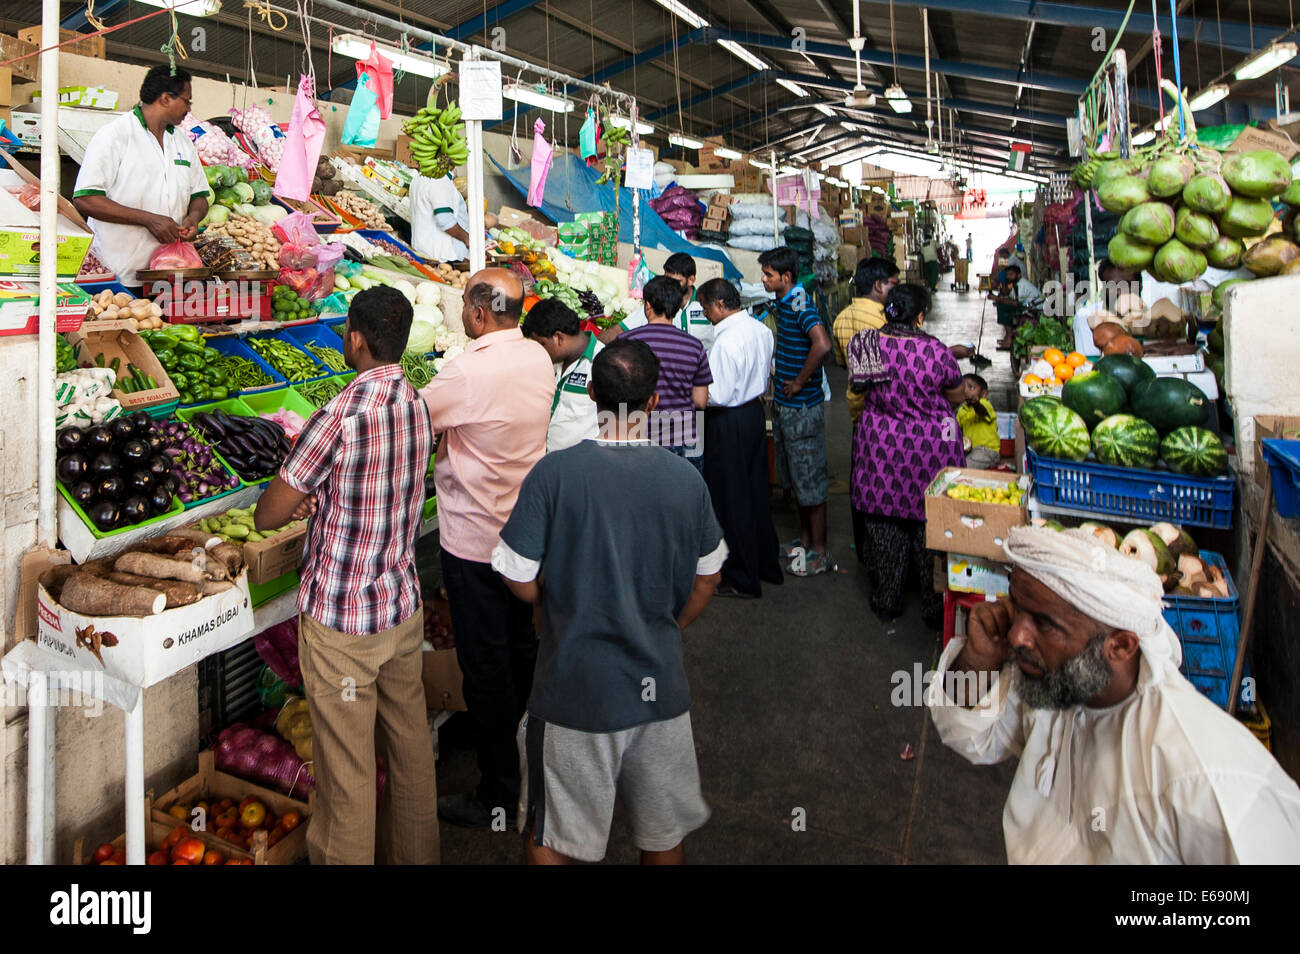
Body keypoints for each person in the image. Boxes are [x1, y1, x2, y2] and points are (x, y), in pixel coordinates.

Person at [928, 526, 1300, 863]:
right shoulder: (1056, 686)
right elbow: (973, 736)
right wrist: (978, 659)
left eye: (1044, 623)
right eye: (1018, 610)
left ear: (1121, 646)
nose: (1016, 636)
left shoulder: (1208, 773)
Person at [492, 338, 726, 864]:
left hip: (575, 688)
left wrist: (555, 602)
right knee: (662, 834)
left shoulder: (554, 473)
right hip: (660, 689)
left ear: (592, 392)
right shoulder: (685, 478)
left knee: (553, 835)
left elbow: (515, 573)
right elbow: (709, 575)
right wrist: (670, 623)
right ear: (652, 403)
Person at [254, 286, 437, 865]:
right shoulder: (415, 400)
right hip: (400, 608)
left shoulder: (338, 414)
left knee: (347, 772)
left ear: (355, 337)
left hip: (343, 624)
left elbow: (269, 514)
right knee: (409, 752)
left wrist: (307, 498)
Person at [419, 267, 555, 829]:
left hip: (476, 542)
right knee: (523, 650)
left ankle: (498, 792)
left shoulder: (466, 370)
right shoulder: (538, 359)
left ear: (477, 314)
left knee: (486, 667)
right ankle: (533, 765)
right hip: (527, 537)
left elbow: (412, 420)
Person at [848, 283, 965, 623]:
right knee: (929, 528)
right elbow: (956, 396)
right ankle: (932, 609)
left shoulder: (866, 343)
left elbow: (859, 387)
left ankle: (887, 600)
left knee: (884, 526)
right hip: (929, 449)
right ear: (920, 315)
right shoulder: (936, 352)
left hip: (880, 446)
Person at [72, 65, 208, 285]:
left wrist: (193, 217)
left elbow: (199, 196)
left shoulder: (182, 142)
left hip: (169, 275)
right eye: (186, 101)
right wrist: (149, 220)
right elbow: (85, 199)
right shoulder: (115, 136)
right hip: (119, 274)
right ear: (165, 99)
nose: (189, 109)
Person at [697, 278, 783, 598]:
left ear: (720, 305)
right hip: (753, 416)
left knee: (731, 499)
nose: (705, 315)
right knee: (756, 491)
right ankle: (766, 565)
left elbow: (715, 395)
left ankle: (742, 577)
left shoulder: (725, 342)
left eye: (706, 308)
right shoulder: (760, 330)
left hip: (727, 421)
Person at [762, 245, 833, 577]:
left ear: (786, 277)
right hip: (788, 406)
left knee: (810, 479)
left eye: (768, 275)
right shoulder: (784, 301)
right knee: (798, 476)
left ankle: (819, 550)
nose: (763, 279)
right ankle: (804, 541)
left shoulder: (800, 301)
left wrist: (800, 382)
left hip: (802, 406)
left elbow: (821, 343)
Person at [622, 274, 712, 469]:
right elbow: (700, 402)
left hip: (638, 435)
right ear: (678, 306)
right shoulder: (694, 346)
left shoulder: (626, 342)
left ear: (647, 305)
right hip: (682, 437)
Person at [522, 297, 603, 453]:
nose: (539, 350)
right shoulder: (550, 361)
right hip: (544, 460)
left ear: (558, 337)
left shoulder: (601, 363)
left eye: (541, 344)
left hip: (578, 465)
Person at [609, 253, 712, 351]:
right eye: (667, 279)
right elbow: (621, 329)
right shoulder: (657, 302)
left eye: (676, 282)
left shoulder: (706, 304)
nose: (669, 285)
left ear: (691, 280)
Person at [1072, 259, 1140, 357]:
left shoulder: (1150, 317)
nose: (1119, 291)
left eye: (1126, 284)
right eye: (1112, 286)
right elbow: (1092, 361)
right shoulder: (1085, 316)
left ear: (1140, 286)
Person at [408, 171, 470, 262]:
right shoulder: (440, 181)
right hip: (441, 256)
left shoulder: (419, 177)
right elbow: (445, 220)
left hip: (424, 251)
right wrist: (467, 238)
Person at [988, 262, 1042, 350]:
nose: (1008, 277)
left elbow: (1016, 303)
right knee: (1001, 304)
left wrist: (997, 298)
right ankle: (1008, 335)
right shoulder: (1016, 284)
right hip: (1026, 306)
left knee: (1003, 307)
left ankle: (1009, 336)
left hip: (1034, 308)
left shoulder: (1021, 285)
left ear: (1019, 275)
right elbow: (1011, 298)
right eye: (1007, 275)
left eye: (1011, 274)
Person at [957, 373, 1001, 470]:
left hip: (987, 451)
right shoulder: (961, 410)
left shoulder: (985, 404)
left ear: (984, 394)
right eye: (963, 388)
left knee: (964, 468)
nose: (966, 391)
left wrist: (976, 404)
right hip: (970, 451)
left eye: (971, 387)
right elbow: (956, 430)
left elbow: (982, 411)